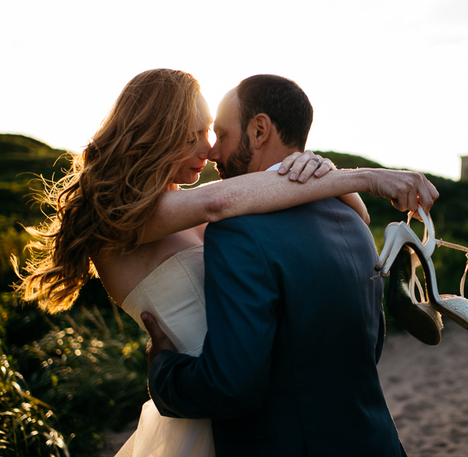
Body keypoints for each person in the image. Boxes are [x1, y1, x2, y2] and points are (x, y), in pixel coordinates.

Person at [13, 69, 438, 456]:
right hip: (206, 411)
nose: (209, 147)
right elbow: (221, 201)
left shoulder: (187, 208)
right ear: (154, 134)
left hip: (247, 406)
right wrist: (363, 177)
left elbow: (345, 217)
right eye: (193, 134)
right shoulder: (120, 216)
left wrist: (322, 171)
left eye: (211, 132)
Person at [143, 74, 429, 456]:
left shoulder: (239, 232)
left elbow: (231, 388)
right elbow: (368, 348)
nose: (213, 153)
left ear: (259, 130)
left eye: (222, 135)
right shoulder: (352, 220)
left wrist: (163, 371)